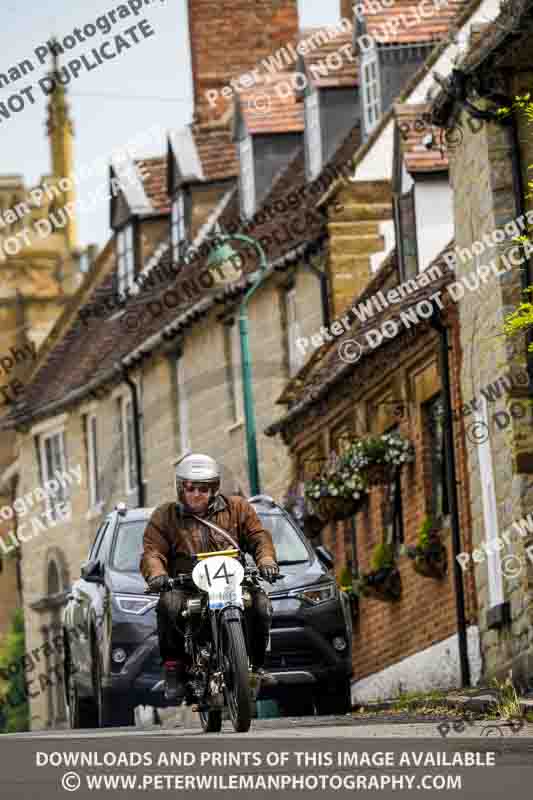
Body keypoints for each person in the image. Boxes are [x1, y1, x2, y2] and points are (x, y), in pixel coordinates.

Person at [140, 453, 280, 703]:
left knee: (260, 605)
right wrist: (158, 575)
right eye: (190, 488)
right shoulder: (165, 516)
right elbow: (153, 551)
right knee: (168, 605)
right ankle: (173, 668)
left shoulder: (238, 508)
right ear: (180, 488)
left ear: (214, 488)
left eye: (203, 488)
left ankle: (256, 667)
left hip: (232, 581)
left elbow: (259, 537)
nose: (196, 494)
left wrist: (266, 560)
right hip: (187, 586)